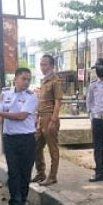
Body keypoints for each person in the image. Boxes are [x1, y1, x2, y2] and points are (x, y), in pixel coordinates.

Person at [0, 68, 39, 205]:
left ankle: (23, 200)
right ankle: (15, 204)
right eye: (24, 79)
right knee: (13, 172)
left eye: (29, 79)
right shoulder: (5, 94)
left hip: (27, 139)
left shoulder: (32, 97)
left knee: (25, 172)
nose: (26, 82)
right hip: (10, 139)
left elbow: (22, 116)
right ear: (16, 79)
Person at [32, 55, 64, 186]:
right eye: (41, 64)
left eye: (45, 64)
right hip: (40, 117)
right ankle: (41, 172)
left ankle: (52, 176)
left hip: (50, 117)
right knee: (36, 146)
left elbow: (58, 102)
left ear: (52, 66)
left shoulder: (55, 81)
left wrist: (53, 120)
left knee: (53, 148)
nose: (42, 67)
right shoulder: (44, 81)